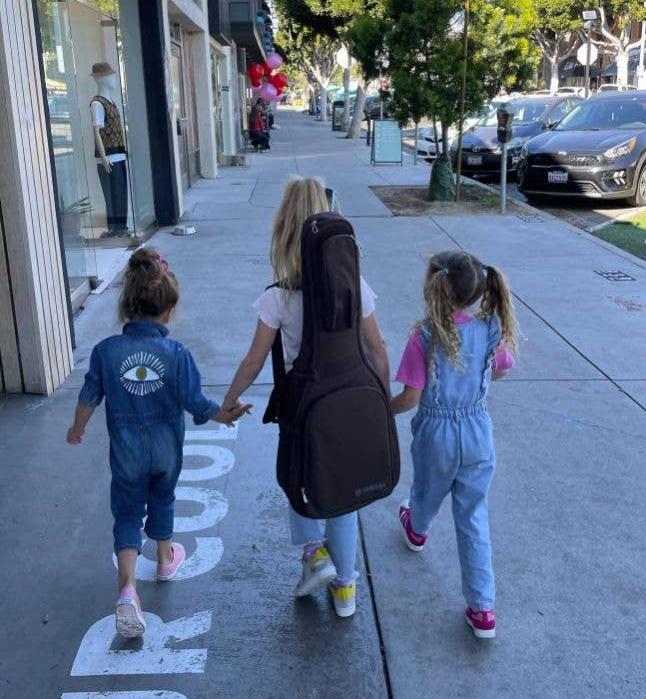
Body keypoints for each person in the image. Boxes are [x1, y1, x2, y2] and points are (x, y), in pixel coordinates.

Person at [218, 176, 390, 618]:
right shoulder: (355, 285)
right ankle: (346, 592)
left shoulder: (279, 296)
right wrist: (382, 401)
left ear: (284, 227)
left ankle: (315, 555)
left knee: (301, 477)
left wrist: (228, 401)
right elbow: (377, 346)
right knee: (345, 494)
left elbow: (254, 360)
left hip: (305, 404)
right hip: (351, 401)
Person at [66, 247, 249, 638]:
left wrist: (77, 429)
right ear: (168, 311)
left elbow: (89, 395)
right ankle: (166, 558)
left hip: (127, 453)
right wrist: (224, 414)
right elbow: (194, 401)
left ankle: (128, 590)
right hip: (167, 450)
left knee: (128, 512)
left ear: (126, 307)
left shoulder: (105, 352)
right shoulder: (177, 353)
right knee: (163, 497)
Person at [391, 251, 517, 639]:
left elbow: (410, 398)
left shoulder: (424, 336)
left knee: (427, 492)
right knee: (474, 517)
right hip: (479, 432)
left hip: (437, 435)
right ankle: (482, 611)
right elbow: (503, 367)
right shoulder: (490, 327)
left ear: (434, 288)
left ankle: (417, 528)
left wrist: (381, 412)